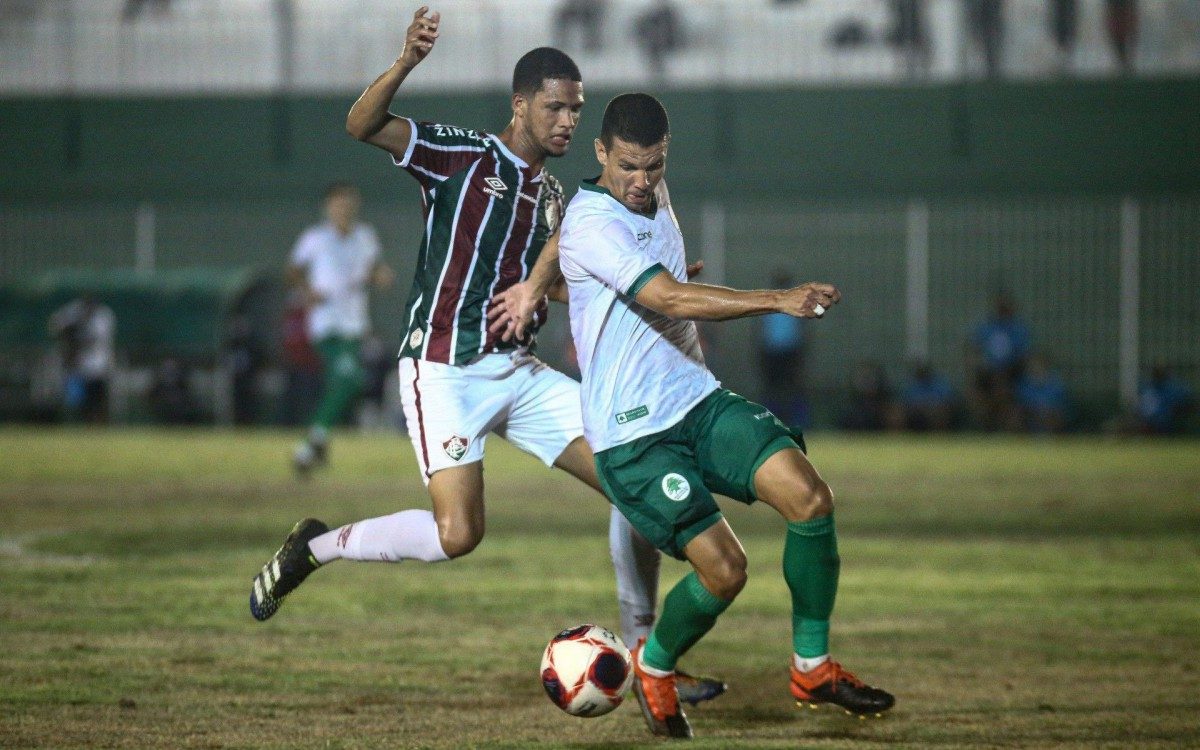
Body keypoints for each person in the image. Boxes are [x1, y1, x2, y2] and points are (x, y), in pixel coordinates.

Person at [247, 7, 725, 709]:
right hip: (443, 370)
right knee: (458, 534)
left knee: (634, 479)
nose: (567, 121)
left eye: (576, 110)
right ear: (520, 104)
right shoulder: (463, 155)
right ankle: (314, 547)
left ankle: (648, 656)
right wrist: (406, 62)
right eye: (555, 107)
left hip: (520, 373)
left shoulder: (556, 197)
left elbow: (555, 286)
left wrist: (640, 285)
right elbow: (362, 124)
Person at [492, 93, 894, 738]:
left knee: (810, 498)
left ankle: (812, 668)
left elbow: (603, 261)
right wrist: (778, 300)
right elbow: (670, 297)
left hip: (696, 402)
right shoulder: (594, 220)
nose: (641, 180)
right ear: (600, 153)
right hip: (635, 438)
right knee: (726, 571)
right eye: (627, 166)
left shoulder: (648, 192)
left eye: (653, 165)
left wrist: (547, 284)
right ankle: (654, 667)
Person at [287, 181, 394, 475]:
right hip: (326, 324)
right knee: (349, 380)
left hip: (354, 324)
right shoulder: (315, 238)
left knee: (343, 383)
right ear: (328, 207)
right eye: (338, 204)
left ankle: (316, 444)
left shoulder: (365, 236)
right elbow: (293, 270)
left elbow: (373, 268)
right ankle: (311, 444)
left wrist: (380, 275)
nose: (344, 209)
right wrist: (306, 290)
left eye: (348, 204)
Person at [48, 295, 115, 424]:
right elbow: (55, 326)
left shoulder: (103, 316)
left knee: (97, 399)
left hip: (98, 365)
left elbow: (95, 340)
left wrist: (77, 339)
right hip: (77, 366)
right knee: (78, 400)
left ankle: (99, 423)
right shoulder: (74, 311)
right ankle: (79, 422)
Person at [968, 292, 1030, 431]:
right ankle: (985, 424)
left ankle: (1001, 424)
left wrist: (1005, 370)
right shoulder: (986, 327)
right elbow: (974, 350)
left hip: (1013, 372)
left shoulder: (1018, 329)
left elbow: (1024, 356)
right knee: (978, 391)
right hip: (988, 372)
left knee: (1001, 384)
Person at [758, 270, 807, 428]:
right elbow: (762, 330)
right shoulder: (769, 303)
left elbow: (801, 329)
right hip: (772, 351)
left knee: (793, 388)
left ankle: (799, 422)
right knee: (772, 389)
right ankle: (770, 422)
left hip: (790, 351)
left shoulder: (795, 303)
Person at [1014, 353, 1067, 433]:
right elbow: (1020, 405)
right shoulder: (1024, 385)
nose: (1036, 368)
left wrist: (1045, 412)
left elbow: (1061, 407)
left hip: (1052, 418)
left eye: (1039, 365)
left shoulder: (1056, 384)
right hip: (1030, 419)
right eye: (1033, 366)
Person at [898, 361, 955, 431]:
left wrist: (931, 408)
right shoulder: (913, 386)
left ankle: (940, 433)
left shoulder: (939, 384)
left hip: (935, 413)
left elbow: (948, 402)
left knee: (940, 412)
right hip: (916, 415)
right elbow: (906, 404)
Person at [1135, 365, 1192, 435]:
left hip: (1168, 422)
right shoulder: (1149, 389)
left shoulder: (1171, 389)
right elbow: (1142, 409)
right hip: (1151, 422)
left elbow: (1186, 400)